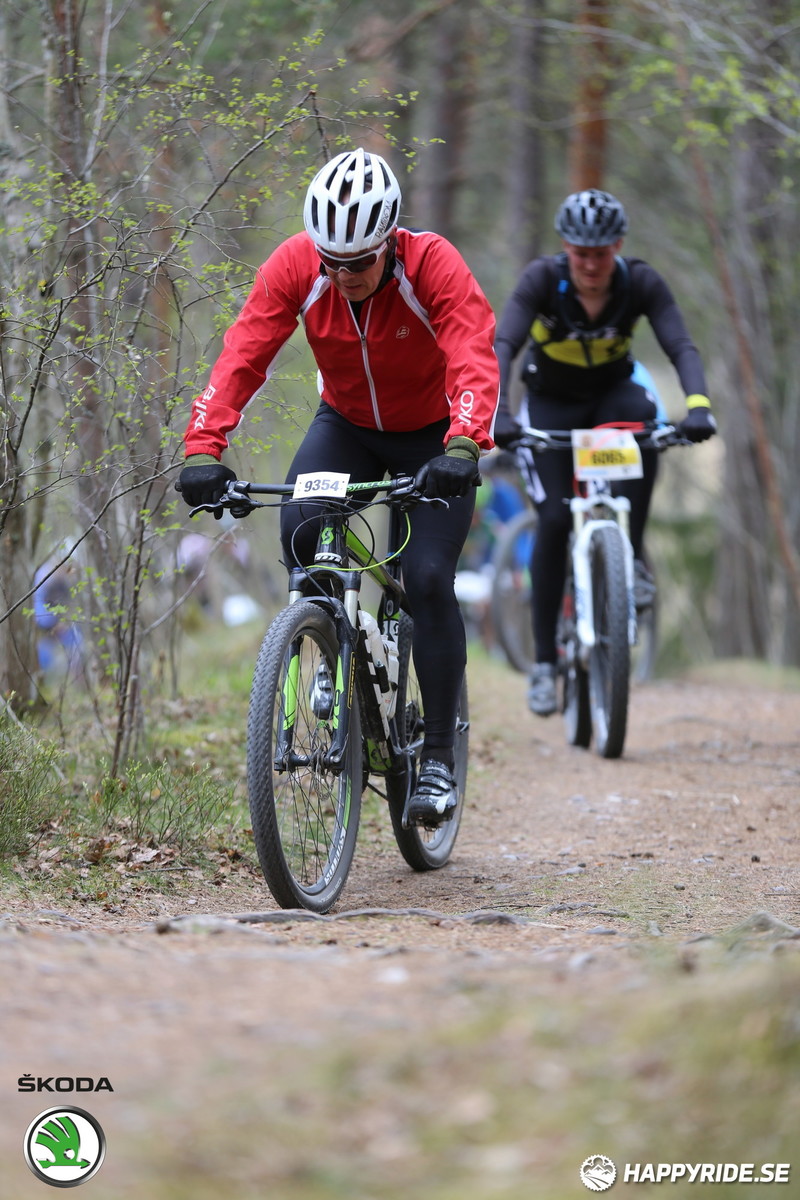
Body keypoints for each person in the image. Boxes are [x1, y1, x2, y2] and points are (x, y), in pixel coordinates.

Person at [178, 147, 500, 825]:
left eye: (359, 262)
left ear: (388, 242)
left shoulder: (431, 262)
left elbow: (473, 348)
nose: (344, 274)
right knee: (301, 531)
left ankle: (437, 756)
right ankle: (330, 652)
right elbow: (245, 352)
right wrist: (204, 448)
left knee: (429, 577)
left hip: (435, 436)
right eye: (332, 261)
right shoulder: (299, 265)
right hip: (347, 427)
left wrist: (464, 443)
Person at [493, 188, 716, 717]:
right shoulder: (542, 280)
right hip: (547, 404)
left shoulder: (640, 282)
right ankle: (544, 664)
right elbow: (503, 344)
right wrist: (499, 412)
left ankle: (631, 556)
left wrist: (700, 405)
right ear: (566, 248)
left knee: (649, 430)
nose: (591, 264)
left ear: (618, 245)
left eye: (600, 252)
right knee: (551, 522)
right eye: (580, 252)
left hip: (611, 399)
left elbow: (680, 344)